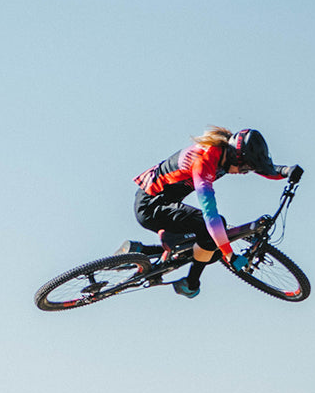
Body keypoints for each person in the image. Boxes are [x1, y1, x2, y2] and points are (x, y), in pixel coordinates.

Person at [119, 126, 302, 299]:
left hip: (163, 202)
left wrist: (285, 171)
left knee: (212, 248)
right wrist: (230, 255)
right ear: (235, 159)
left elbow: (262, 168)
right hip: (151, 207)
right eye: (245, 168)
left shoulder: (227, 152)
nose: (245, 173)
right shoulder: (204, 163)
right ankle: (190, 284)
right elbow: (211, 216)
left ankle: (142, 251)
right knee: (214, 234)